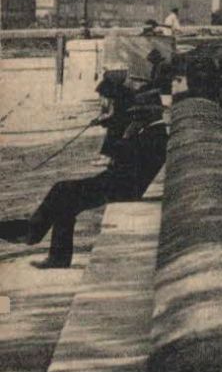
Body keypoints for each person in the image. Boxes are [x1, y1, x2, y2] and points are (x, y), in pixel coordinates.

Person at [0, 72, 169, 268]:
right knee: (65, 197)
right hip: (118, 183)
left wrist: (126, 137)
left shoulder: (153, 137)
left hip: (121, 188)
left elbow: (121, 162)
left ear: (148, 114)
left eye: (138, 114)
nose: (134, 118)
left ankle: (32, 235)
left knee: (63, 190)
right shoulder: (153, 133)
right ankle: (51, 251)